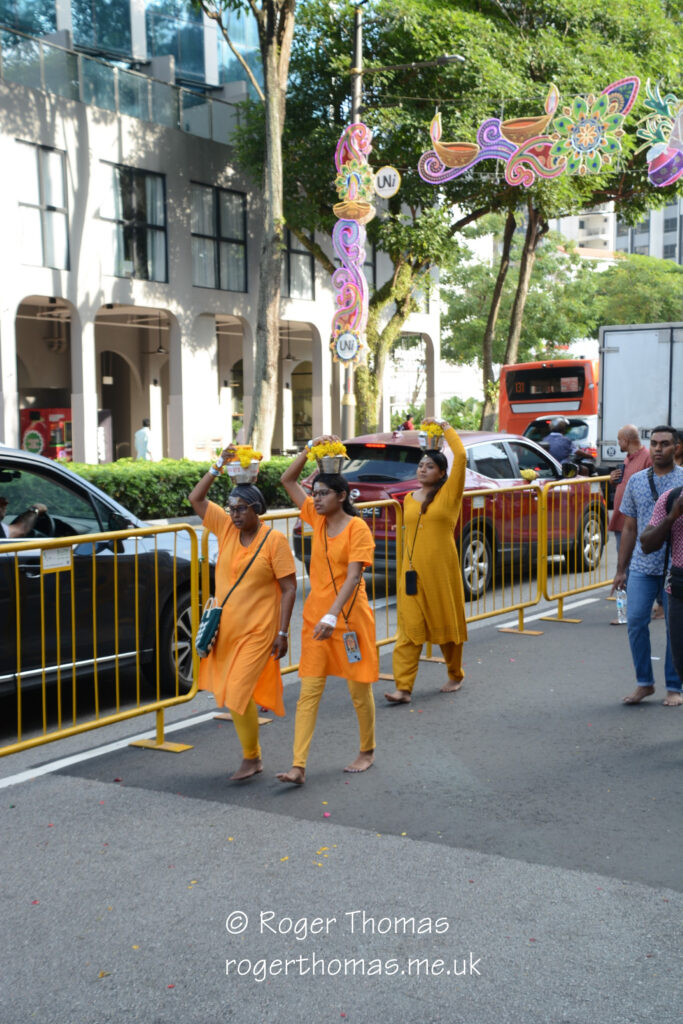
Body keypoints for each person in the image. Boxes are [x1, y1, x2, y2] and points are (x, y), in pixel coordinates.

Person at [188, 448, 297, 779]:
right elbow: (196, 497)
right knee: (235, 693)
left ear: (257, 510)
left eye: (241, 508)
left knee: (236, 692)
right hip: (227, 629)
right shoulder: (225, 529)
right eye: (231, 508)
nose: (234, 514)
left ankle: (252, 757)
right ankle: (253, 755)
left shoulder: (274, 540)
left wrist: (282, 632)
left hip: (258, 631)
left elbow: (290, 588)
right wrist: (218, 466)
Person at [277, 437, 378, 784]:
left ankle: (367, 751)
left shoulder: (357, 528)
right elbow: (287, 481)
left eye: (322, 494)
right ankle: (298, 765)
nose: (315, 499)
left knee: (358, 690)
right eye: (314, 493)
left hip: (347, 619)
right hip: (315, 622)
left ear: (342, 497)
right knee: (308, 692)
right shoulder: (315, 519)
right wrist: (308, 449)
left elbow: (353, 578)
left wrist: (333, 614)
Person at [384, 416, 468, 704]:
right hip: (411, 574)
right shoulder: (408, 498)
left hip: (441, 571)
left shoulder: (450, 494)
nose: (422, 469)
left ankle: (455, 673)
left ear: (442, 472)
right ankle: (403, 688)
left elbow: (462, 456)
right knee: (408, 630)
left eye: (429, 466)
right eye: (420, 465)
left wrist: (445, 427)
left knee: (447, 627)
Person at [612, 426, 683, 706]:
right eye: (653, 443)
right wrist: (621, 569)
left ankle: (674, 687)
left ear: (676, 448)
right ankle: (645, 682)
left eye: (664, 444)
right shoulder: (638, 481)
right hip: (642, 565)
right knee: (636, 622)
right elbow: (629, 527)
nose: (657, 448)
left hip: (674, 569)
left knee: (674, 630)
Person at [640, 484, 683, 695]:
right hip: (679, 589)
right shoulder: (671, 498)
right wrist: (672, 516)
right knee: (681, 661)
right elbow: (646, 544)